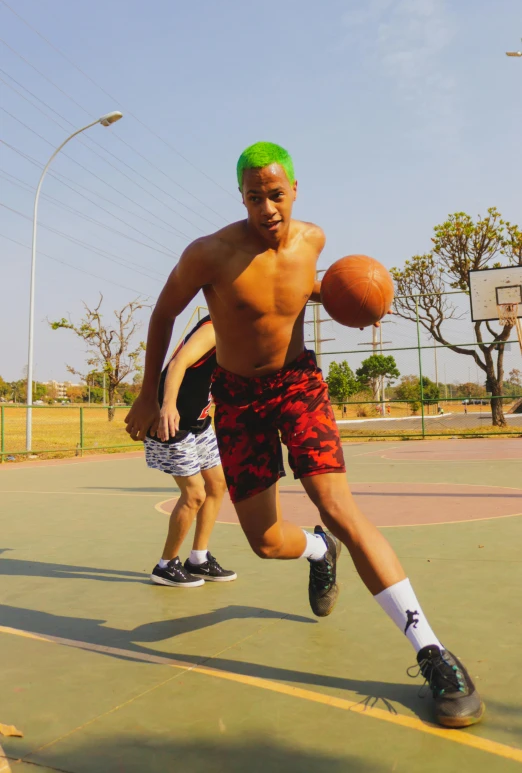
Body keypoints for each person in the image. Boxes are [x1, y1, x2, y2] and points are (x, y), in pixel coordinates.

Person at [126, 142, 483, 728]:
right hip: (237, 399)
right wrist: (148, 392)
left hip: (298, 385)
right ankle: (319, 550)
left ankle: (433, 652)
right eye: (253, 196)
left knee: (339, 506)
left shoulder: (313, 241)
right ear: (240, 198)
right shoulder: (209, 254)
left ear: (294, 190)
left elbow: (297, 289)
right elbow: (164, 314)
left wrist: (352, 297)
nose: (266, 206)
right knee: (266, 543)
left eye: (276, 194)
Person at [144, 314, 236, 587]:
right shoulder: (215, 327)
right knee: (194, 494)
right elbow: (178, 363)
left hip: (199, 423)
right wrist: (168, 405)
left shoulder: (239, 330)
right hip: (173, 422)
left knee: (217, 485)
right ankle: (166, 565)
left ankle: (198, 558)